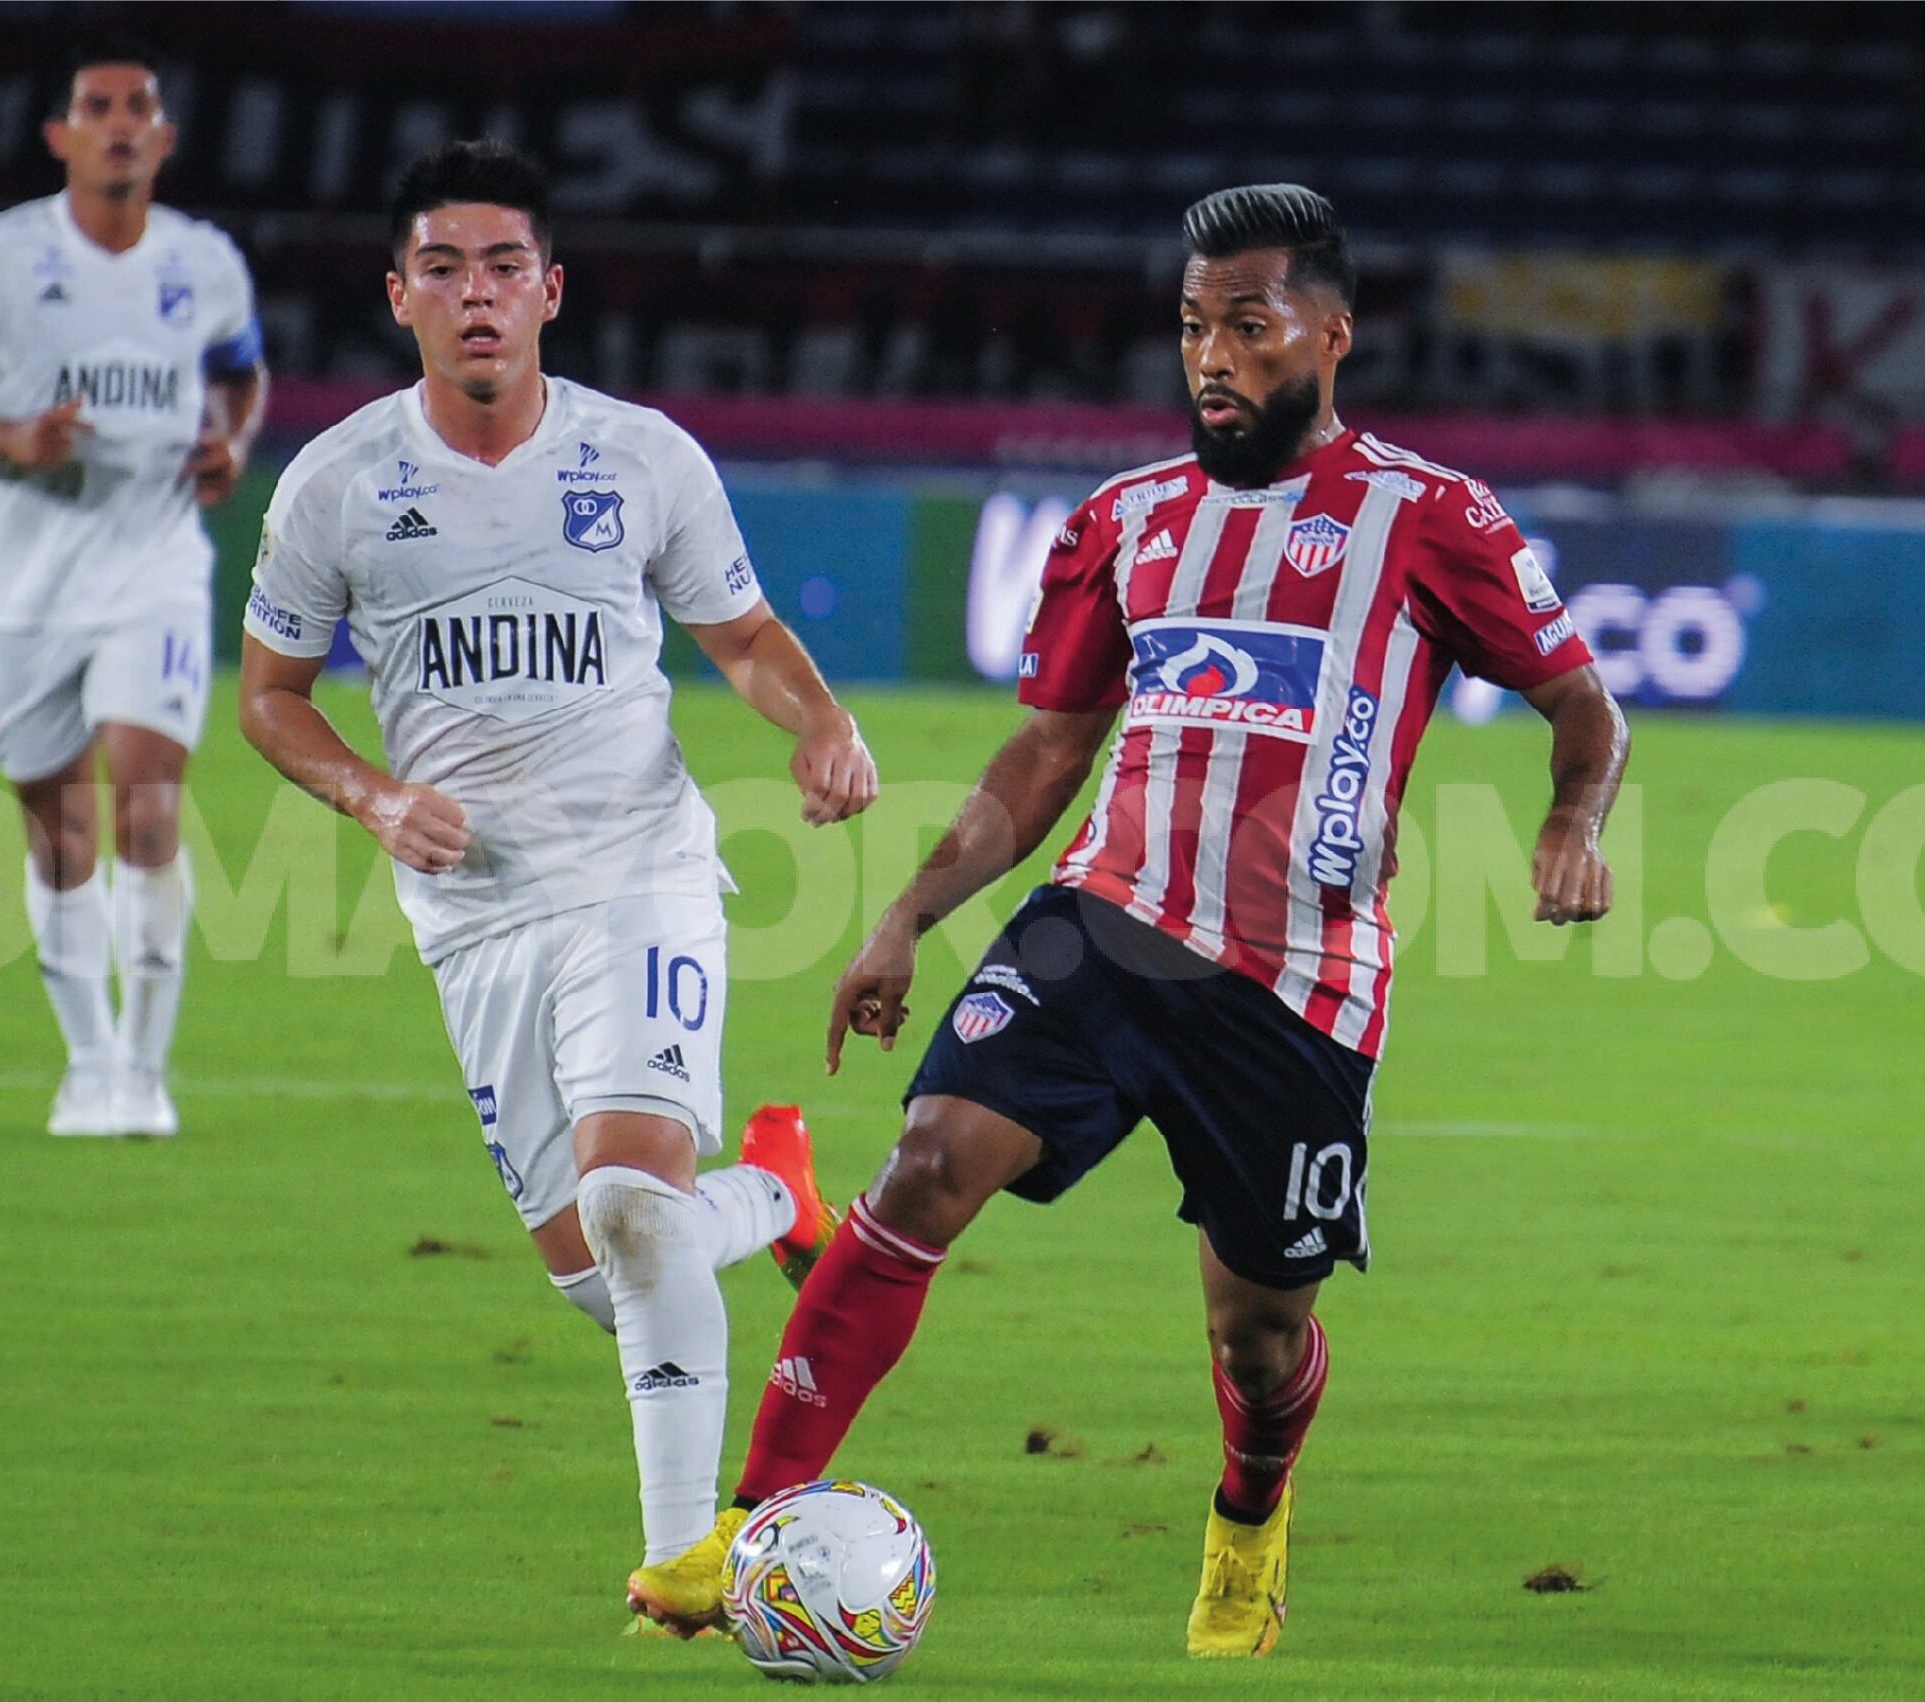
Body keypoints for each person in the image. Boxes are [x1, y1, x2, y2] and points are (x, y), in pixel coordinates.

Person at [648, 184, 1632, 1656]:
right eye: (1192, 326)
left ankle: (1247, 1513)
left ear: (1332, 333)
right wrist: (908, 916)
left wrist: (1571, 822)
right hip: (1098, 928)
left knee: (1258, 1325)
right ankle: (747, 1522)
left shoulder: (1431, 520)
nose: (1213, 354)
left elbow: (1584, 708)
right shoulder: (1126, 522)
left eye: (1249, 321)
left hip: (1297, 989)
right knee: (924, 1164)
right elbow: (1045, 754)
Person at [235, 139, 877, 1629]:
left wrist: (826, 723)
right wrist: (373, 791)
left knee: (633, 1214)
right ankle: (773, 1186)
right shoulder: (335, 487)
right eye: (445, 268)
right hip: (474, 920)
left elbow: (744, 636)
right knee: (607, 1270)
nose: (477, 294)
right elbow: (270, 697)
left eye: (504, 266)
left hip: (640, 873)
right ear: (399, 296)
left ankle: (685, 1561)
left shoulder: (640, 456)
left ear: (552, 292)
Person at [0, 38, 268, 1138]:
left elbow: (243, 373)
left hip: (152, 561)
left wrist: (233, 442)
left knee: (147, 802)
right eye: (96, 106)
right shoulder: (0, 259)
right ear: (61, 135)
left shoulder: (204, 263)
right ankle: (89, 1063)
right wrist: (9, 433)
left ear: (164, 137)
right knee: (57, 830)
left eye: (137, 106)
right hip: (26, 579)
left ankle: (146, 1078)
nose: (118, 123)